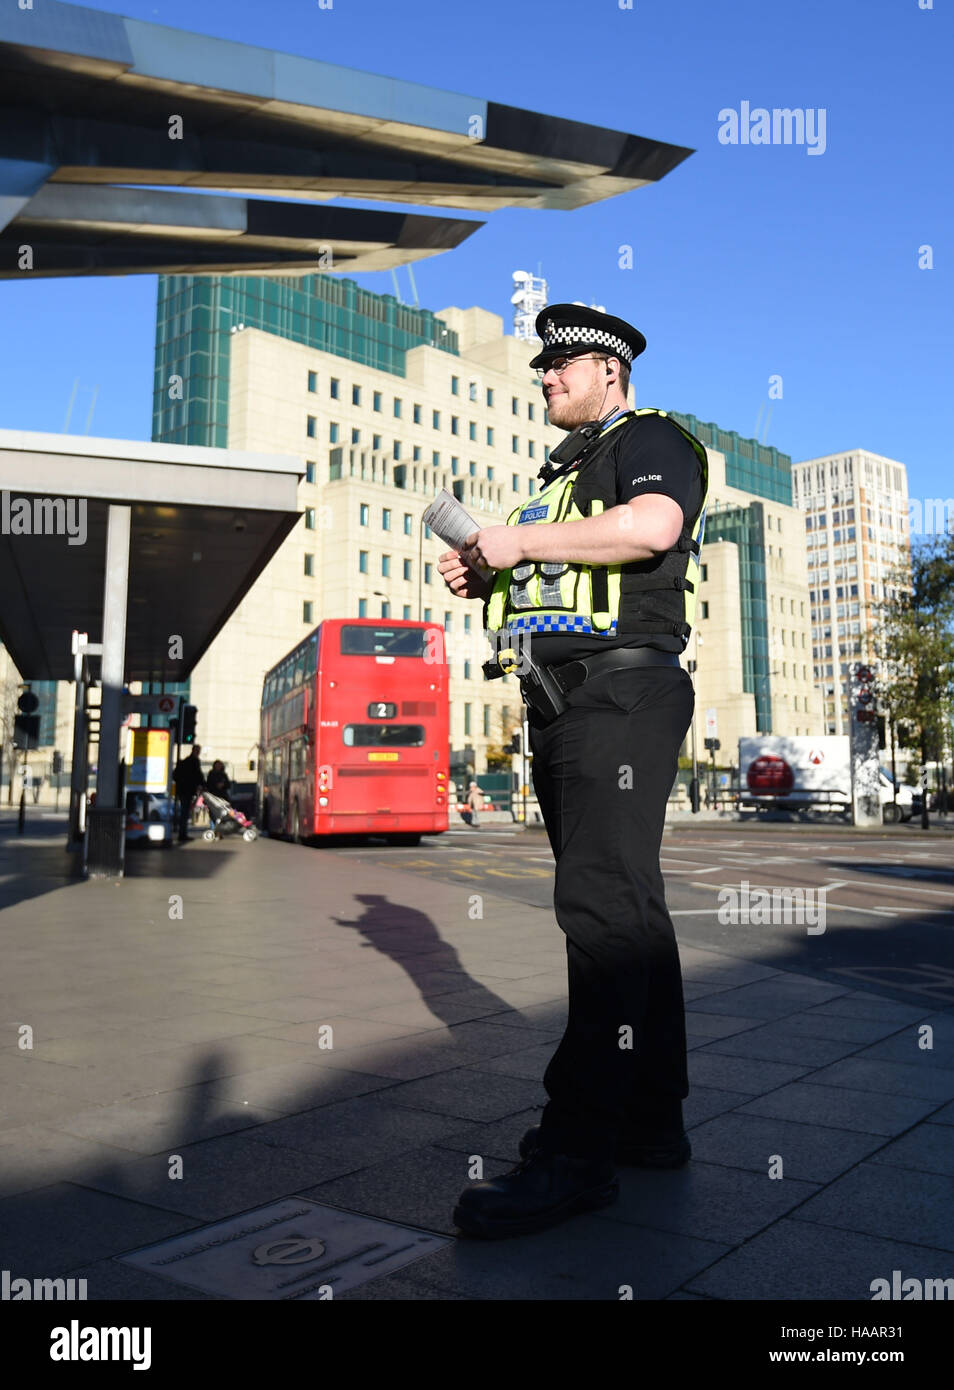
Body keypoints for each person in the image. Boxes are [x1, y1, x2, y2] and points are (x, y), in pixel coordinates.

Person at [438, 303, 708, 1239]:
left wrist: (522, 543)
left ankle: (576, 1151)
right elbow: (572, 571)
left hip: (619, 695)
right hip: (566, 703)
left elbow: (653, 528)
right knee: (629, 912)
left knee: (599, 911)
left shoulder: (655, 440)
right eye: (541, 367)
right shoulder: (561, 477)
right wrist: (492, 572)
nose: (545, 377)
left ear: (611, 370)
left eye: (560, 364)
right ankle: (649, 1122)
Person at [172, 744, 205, 842]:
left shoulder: (183, 762)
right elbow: (198, 775)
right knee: (185, 812)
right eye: (198, 751)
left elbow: (175, 776)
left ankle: (182, 833)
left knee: (184, 812)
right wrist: (202, 785)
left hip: (182, 790)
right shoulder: (194, 762)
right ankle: (183, 834)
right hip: (188, 790)